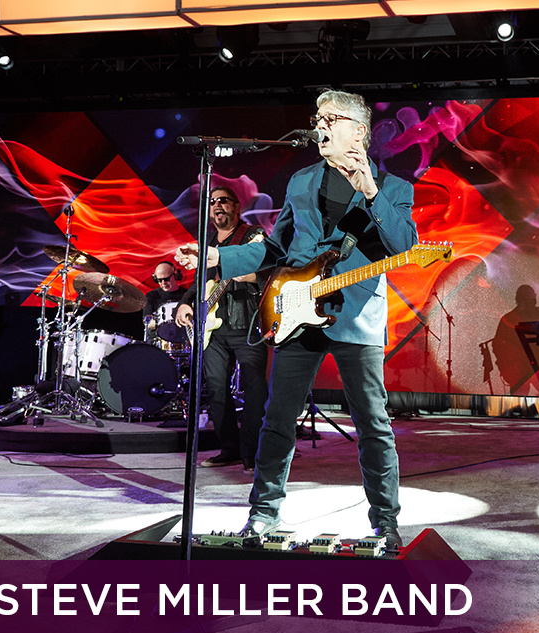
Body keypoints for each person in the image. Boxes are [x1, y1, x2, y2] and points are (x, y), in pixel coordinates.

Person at [176, 90, 417, 548]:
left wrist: (370, 190)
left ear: (358, 132)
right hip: (295, 313)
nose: (320, 125)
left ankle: (385, 522)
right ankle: (263, 514)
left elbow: (403, 245)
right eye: (318, 117)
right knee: (278, 419)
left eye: (331, 119)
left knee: (372, 424)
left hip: (356, 317)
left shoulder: (393, 188)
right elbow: (275, 249)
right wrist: (217, 258)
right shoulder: (302, 181)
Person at [175, 186, 269, 472]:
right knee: (216, 390)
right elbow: (198, 283)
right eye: (213, 201)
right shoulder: (206, 243)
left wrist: (247, 275)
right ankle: (229, 449)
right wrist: (185, 303)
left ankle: (251, 452)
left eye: (223, 201)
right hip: (213, 331)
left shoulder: (252, 236)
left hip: (247, 324)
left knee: (254, 390)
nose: (217, 205)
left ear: (236, 207)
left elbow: (269, 271)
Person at [142, 260, 188, 344]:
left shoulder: (186, 295)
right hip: (159, 341)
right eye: (159, 280)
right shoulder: (152, 296)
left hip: (183, 340)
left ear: (175, 275)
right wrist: (152, 322)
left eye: (166, 279)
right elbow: (148, 323)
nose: (163, 283)